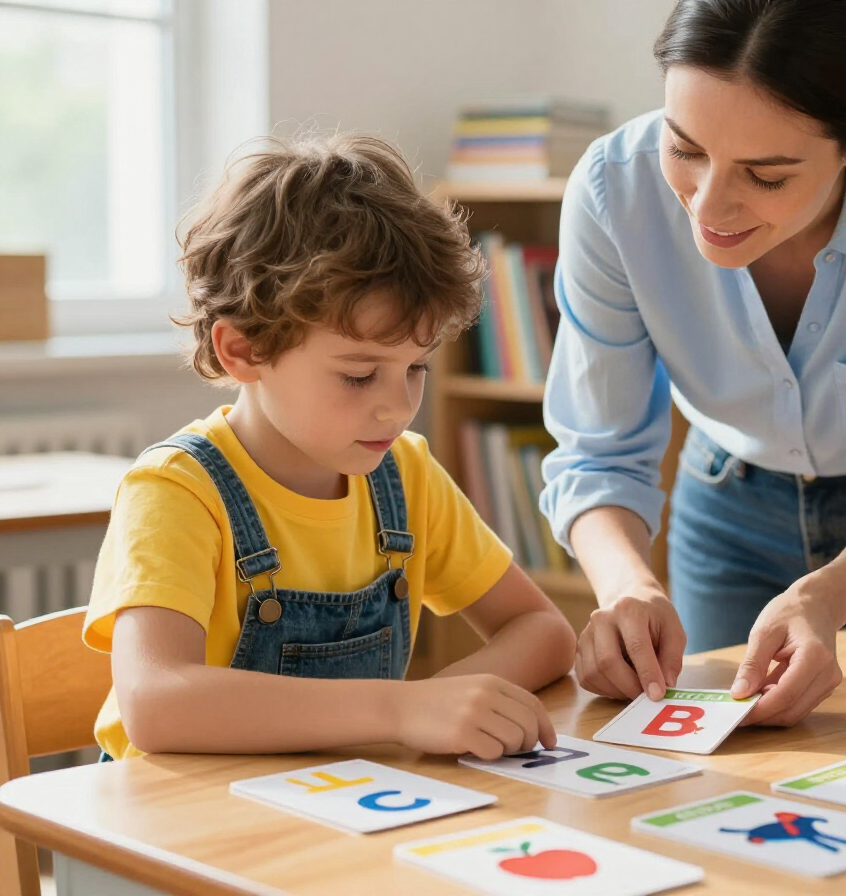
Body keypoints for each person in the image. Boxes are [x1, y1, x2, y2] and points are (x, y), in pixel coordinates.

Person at [541, 0, 846, 727]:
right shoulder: (614, 190)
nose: (709, 204)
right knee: (718, 786)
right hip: (728, 503)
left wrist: (825, 596)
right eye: (685, 148)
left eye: (765, 176)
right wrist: (627, 588)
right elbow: (597, 451)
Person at [83, 133, 576, 760]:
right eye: (358, 374)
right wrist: (401, 711)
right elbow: (156, 703)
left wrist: (440, 705)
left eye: (416, 368)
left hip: (338, 807)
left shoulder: (405, 475)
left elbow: (542, 631)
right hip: (174, 831)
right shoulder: (177, 491)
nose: (397, 407)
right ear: (244, 350)